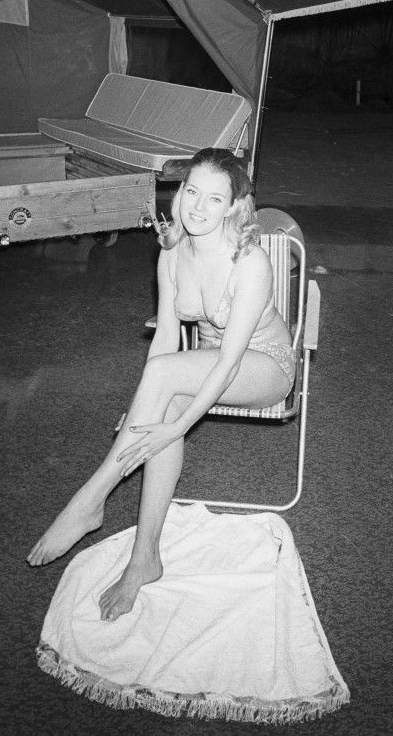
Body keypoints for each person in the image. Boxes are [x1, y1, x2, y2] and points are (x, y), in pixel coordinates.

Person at [27, 148, 295, 622]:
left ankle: (89, 499)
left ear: (234, 206)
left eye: (215, 198)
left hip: (264, 367)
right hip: (200, 366)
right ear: (178, 192)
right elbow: (167, 340)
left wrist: (176, 429)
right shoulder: (172, 252)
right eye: (191, 191)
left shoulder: (248, 262)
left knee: (168, 399)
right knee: (162, 398)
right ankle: (143, 559)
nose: (197, 207)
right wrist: (145, 412)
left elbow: (229, 363)